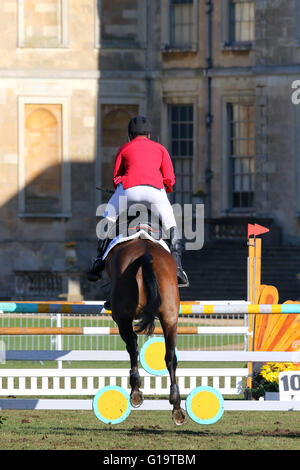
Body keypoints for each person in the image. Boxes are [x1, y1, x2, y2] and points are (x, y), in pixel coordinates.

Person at [87, 115, 189, 286]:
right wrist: (163, 189)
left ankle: (98, 260)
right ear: (149, 135)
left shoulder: (124, 148)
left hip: (129, 191)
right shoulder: (160, 149)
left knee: (108, 215)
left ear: (130, 135)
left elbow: (116, 177)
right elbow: (170, 179)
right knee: (171, 224)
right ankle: (178, 267)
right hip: (155, 192)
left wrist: (124, 186)